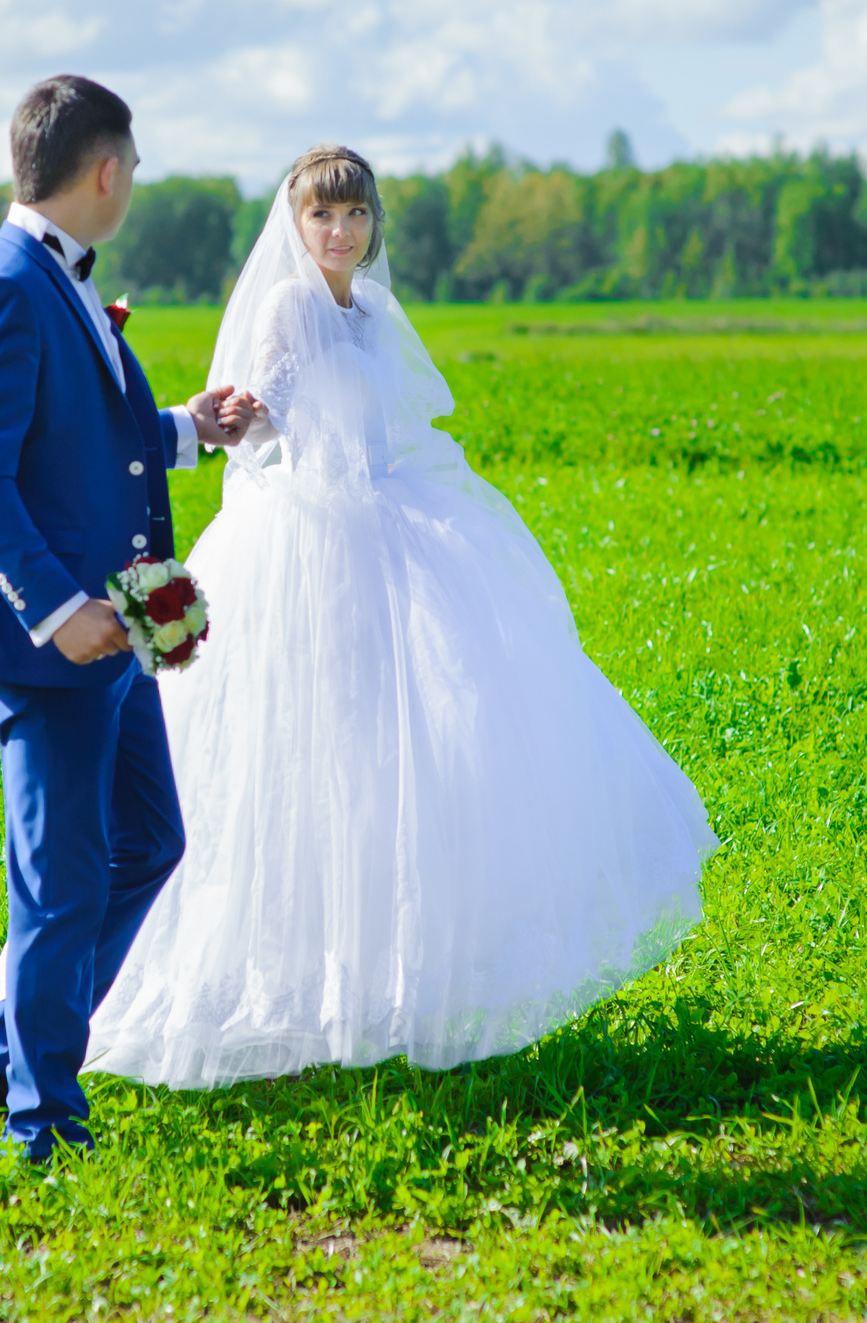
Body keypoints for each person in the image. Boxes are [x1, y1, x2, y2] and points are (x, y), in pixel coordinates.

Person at [76, 144, 719, 1087]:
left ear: (375, 223)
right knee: (307, 752)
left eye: (356, 215)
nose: (340, 232)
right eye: (322, 216)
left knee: (408, 752)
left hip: (392, 524)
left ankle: (395, 977)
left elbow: (395, 422)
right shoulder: (289, 306)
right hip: (312, 541)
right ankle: (275, 985)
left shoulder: (373, 312)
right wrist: (236, 416)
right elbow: (269, 418)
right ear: (296, 225)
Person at [0, 75, 252, 1162]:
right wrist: (57, 610)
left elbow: (84, 441)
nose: (134, 185)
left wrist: (190, 428)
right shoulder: (5, 286)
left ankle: (0, 1052)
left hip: (114, 639)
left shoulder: (57, 279)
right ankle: (42, 1123)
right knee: (60, 883)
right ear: (106, 170)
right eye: (135, 168)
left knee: (148, 843)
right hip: (54, 645)